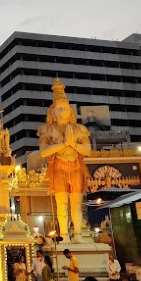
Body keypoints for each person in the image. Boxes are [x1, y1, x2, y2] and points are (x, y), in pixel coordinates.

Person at [38, 78, 91, 242]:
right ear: (52, 112)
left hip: (75, 166)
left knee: (76, 203)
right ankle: (64, 235)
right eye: (59, 109)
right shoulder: (47, 129)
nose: (63, 111)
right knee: (61, 204)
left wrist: (73, 143)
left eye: (66, 108)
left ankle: (78, 235)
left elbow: (87, 150)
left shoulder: (78, 129)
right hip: (58, 167)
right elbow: (43, 152)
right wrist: (62, 144)